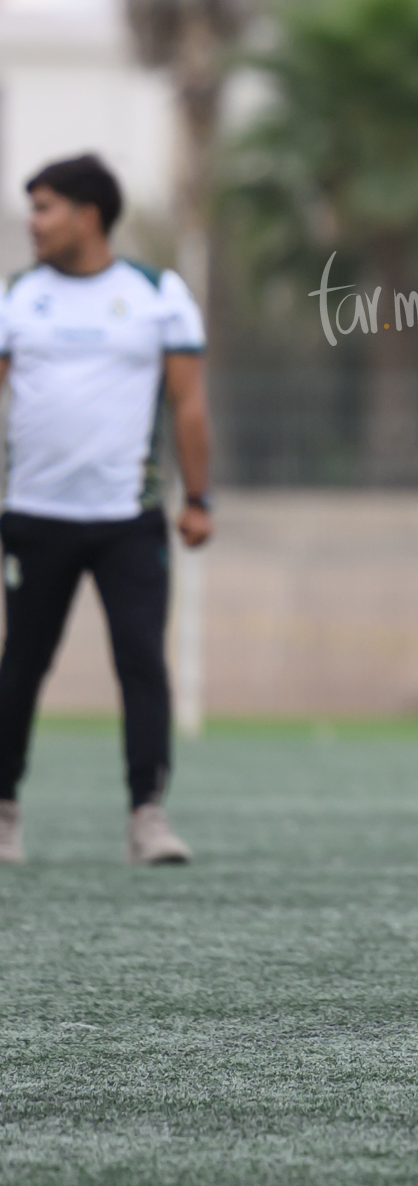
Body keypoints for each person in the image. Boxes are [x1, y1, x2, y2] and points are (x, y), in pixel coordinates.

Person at [0, 154, 212, 865]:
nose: (33, 222)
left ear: (89, 216)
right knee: (21, 664)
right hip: (32, 514)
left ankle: (147, 815)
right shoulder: (19, 295)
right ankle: (3, 811)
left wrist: (200, 498)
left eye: (45, 207)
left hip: (129, 518)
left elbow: (188, 403)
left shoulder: (157, 293)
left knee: (141, 662)